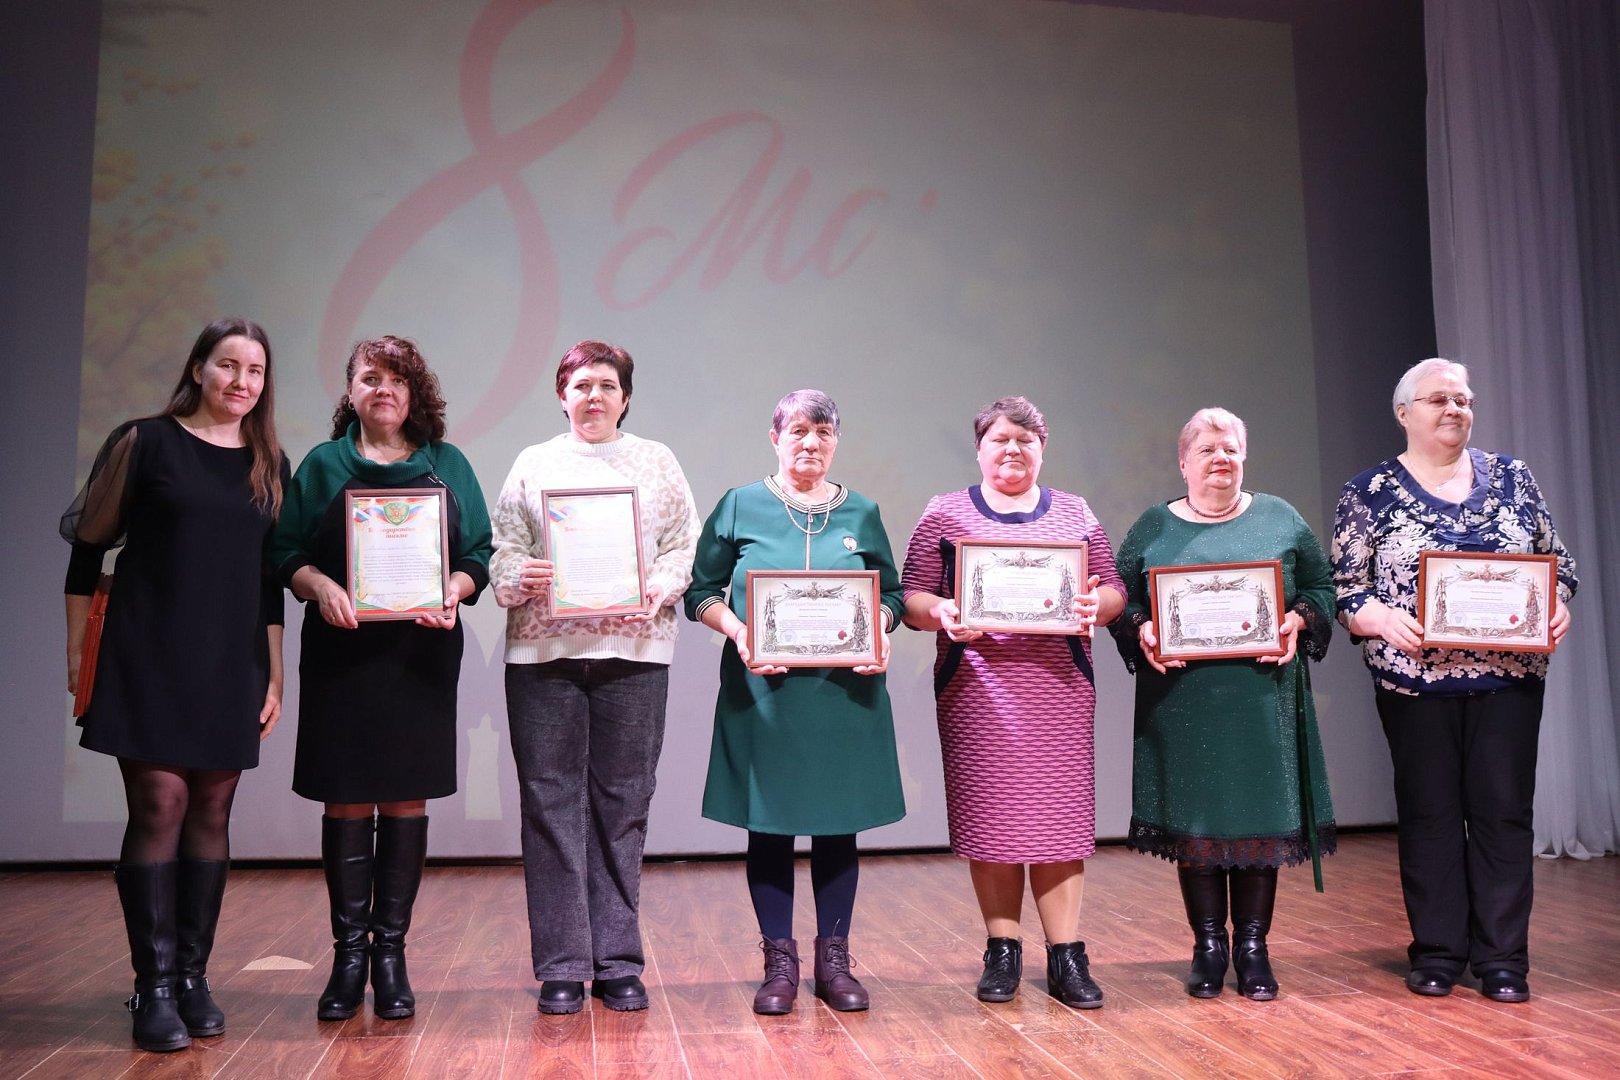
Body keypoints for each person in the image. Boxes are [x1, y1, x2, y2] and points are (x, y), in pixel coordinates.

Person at [60, 318, 288, 1053]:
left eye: (255, 371)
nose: (241, 382)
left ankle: (192, 977)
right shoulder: (144, 441)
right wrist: (77, 650)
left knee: (212, 811)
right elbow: (88, 549)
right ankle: (153, 985)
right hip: (147, 652)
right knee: (161, 803)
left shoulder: (268, 461)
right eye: (228, 365)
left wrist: (276, 671)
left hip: (231, 659)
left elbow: (269, 580)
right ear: (198, 368)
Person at [1332, 358, 1575, 1003]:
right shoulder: (1368, 492)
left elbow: (1558, 565)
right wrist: (1381, 618)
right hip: (1415, 685)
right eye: (1439, 399)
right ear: (1403, 412)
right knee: (1430, 816)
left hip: (1508, 680)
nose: (1454, 409)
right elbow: (1346, 591)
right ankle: (1438, 952)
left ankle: (1503, 961)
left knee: (1503, 815)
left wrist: (1558, 605)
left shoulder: (1515, 478)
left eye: (1463, 399)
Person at [269, 335, 491, 1021]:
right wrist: (316, 585)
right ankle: (348, 958)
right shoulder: (322, 465)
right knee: (344, 799)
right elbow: (285, 550)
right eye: (370, 378)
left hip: (419, 656)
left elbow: (479, 554)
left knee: (403, 800)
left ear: (414, 392)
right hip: (342, 657)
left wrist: (455, 589)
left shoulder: (446, 465)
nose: (383, 389)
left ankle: (390, 954)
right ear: (351, 391)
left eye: (396, 379)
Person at [490, 341, 698, 1015]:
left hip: (634, 651)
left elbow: (683, 545)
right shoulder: (534, 463)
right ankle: (561, 964)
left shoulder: (656, 460)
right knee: (549, 806)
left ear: (625, 397)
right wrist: (517, 574)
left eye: (607, 385)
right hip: (543, 657)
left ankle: (617, 961)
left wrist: (659, 585)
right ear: (562, 396)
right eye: (581, 386)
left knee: (624, 803)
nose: (594, 397)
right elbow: (503, 550)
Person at [901, 395, 1126, 1009]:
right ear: (979, 449)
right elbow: (912, 597)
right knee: (993, 822)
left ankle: (1067, 955)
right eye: (1000, 439)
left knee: (1060, 823)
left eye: (1026, 440)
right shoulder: (945, 513)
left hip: (1059, 690)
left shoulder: (1075, 511)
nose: (1013, 450)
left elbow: (1113, 589)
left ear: (1042, 450)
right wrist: (942, 611)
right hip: (978, 690)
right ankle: (1002, 950)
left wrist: (1098, 605)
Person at [685, 389, 905, 1015]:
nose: (811, 443)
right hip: (764, 693)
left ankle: (835, 963)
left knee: (839, 826)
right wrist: (739, 631)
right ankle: (778, 966)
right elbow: (699, 592)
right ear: (775, 438)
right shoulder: (740, 505)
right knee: (770, 827)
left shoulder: (862, 511)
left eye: (824, 432)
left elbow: (891, 595)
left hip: (844, 694)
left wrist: (880, 629)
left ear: (837, 442)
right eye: (799, 431)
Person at [1109, 407, 1337, 1001]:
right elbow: (1119, 599)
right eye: (1207, 449)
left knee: (1260, 819)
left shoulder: (1280, 517)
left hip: (1262, 699)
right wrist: (1141, 628)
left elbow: (1322, 588)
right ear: (1183, 462)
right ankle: (1208, 946)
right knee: (1199, 826)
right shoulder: (1153, 526)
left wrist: (1297, 618)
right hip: (1183, 703)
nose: (1221, 458)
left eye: (1231, 448)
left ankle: (1253, 948)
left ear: (1244, 457)